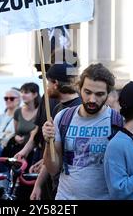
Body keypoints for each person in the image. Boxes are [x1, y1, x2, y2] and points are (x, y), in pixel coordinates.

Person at [42, 63, 123, 199]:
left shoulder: (118, 122)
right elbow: (53, 169)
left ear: (108, 93)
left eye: (99, 94)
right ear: (79, 89)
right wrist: (47, 141)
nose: (92, 99)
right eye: (87, 92)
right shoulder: (63, 118)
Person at [16, 62, 81, 200]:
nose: (46, 86)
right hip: (55, 183)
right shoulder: (57, 108)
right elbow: (52, 149)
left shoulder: (80, 109)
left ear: (55, 83)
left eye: (47, 82)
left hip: (72, 187)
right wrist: (38, 184)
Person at [1, 83, 40, 162]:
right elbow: (16, 132)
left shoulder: (41, 111)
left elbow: (37, 133)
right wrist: (16, 137)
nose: (23, 95)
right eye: (21, 92)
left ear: (35, 94)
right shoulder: (18, 112)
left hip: (34, 153)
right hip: (18, 151)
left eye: (26, 92)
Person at [0, 88, 21, 155]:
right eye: (6, 98)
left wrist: (1, 135)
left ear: (18, 100)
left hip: (12, 151)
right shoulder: (2, 116)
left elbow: (14, 134)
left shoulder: (22, 115)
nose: (8, 100)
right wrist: (5, 134)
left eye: (11, 98)